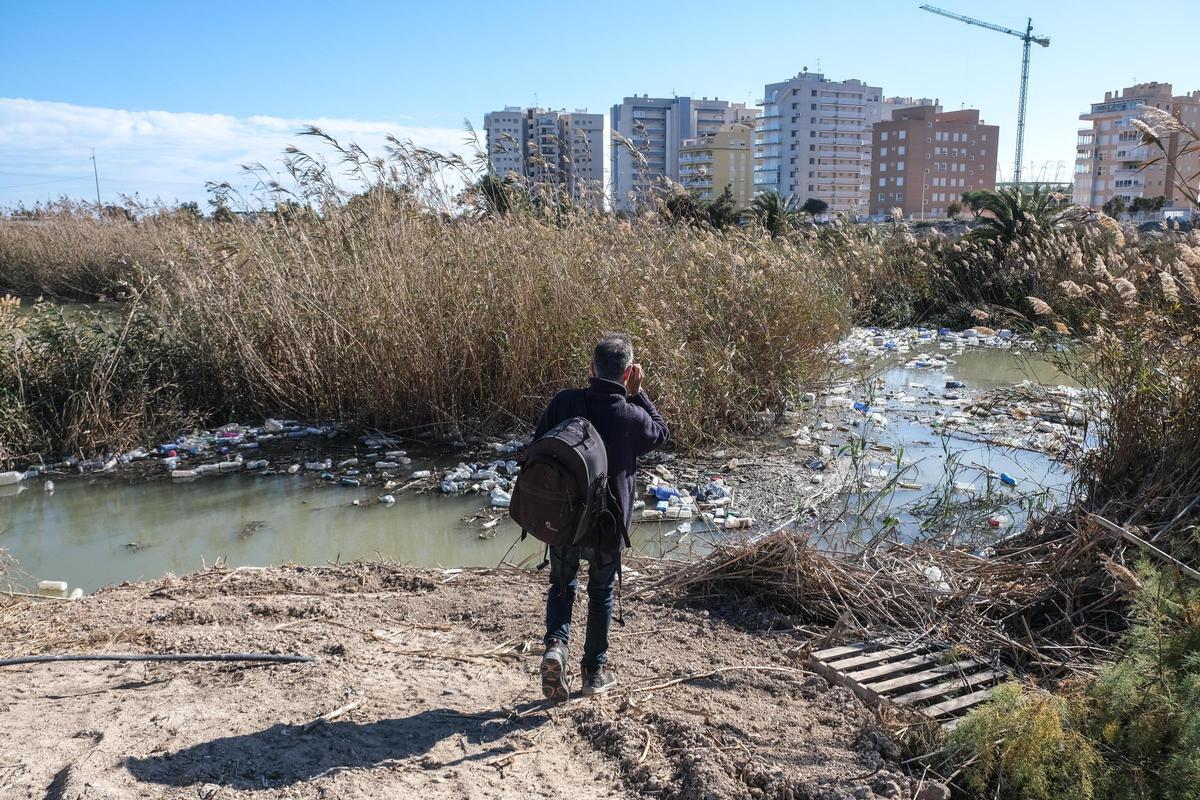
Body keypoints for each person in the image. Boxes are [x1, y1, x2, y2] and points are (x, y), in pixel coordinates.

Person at [534, 333, 668, 700]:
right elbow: (661, 433)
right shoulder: (629, 414)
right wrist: (638, 393)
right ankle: (593, 672)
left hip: (564, 519)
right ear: (628, 373)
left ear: (591, 368)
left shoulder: (565, 402)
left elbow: (537, 445)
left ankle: (556, 648)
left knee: (562, 585)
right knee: (600, 591)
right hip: (608, 523)